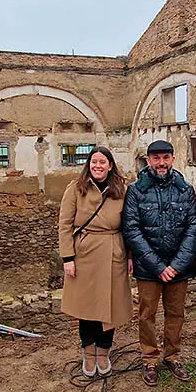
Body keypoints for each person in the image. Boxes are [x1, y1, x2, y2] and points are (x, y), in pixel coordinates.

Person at [123, 140, 196, 387]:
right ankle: (149, 357)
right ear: (148, 161)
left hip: (178, 268)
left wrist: (177, 264)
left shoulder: (185, 190)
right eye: (156, 158)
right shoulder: (136, 191)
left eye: (166, 157)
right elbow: (132, 230)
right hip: (149, 269)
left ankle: (173, 354)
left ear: (173, 159)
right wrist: (158, 266)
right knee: (147, 314)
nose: (161, 163)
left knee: (176, 313)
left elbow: (192, 228)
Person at [58, 146, 133, 378]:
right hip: (85, 254)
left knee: (109, 307)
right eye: (94, 162)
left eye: (102, 162)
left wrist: (130, 255)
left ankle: (103, 352)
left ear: (110, 165)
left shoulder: (122, 190)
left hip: (113, 251)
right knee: (86, 307)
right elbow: (64, 225)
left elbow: (129, 225)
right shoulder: (76, 188)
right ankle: (89, 353)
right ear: (88, 164)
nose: (98, 166)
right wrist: (68, 258)